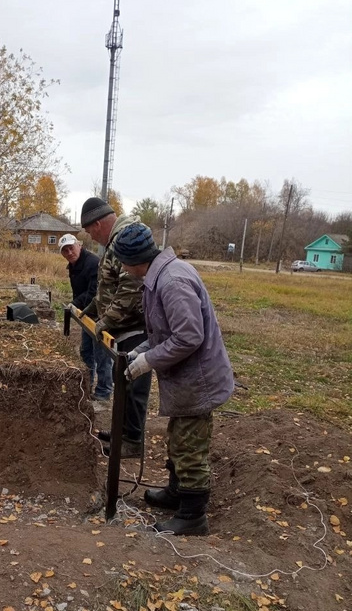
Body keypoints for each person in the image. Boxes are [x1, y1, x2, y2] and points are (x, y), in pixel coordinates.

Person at [113, 224, 235, 536]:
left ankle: (193, 516)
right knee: (178, 438)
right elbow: (162, 332)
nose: (122, 269)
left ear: (133, 260)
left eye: (122, 262)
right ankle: (177, 492)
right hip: (186, 379)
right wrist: (137, 352)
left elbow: (188, 336)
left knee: (189, 446)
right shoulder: (160, 276)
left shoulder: (172, 281)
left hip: (199, 380)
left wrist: (147, 361)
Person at [79, 197, 151, 458]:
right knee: (123, 383)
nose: (90, 237)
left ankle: (133, 440)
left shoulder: (125, 240)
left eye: (89, 232)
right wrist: (93, 308)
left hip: (135, 327)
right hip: (122, 327)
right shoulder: (113, 244)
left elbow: (130, 289)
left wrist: (105, 322)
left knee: (134, 386)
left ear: (98, 224)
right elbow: (108, 286)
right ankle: (122, 432)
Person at [58, 233, 113, 404]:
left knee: (102, 355)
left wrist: (73, 304)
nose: (69, 252)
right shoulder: (74, 266)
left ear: (79, 245)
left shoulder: (92, 263)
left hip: (100, 315)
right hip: (86, 315)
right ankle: (87, 384)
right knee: (86, 351)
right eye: (65, 251)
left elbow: (93, 293)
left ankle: (104, 392)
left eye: (71, 248)